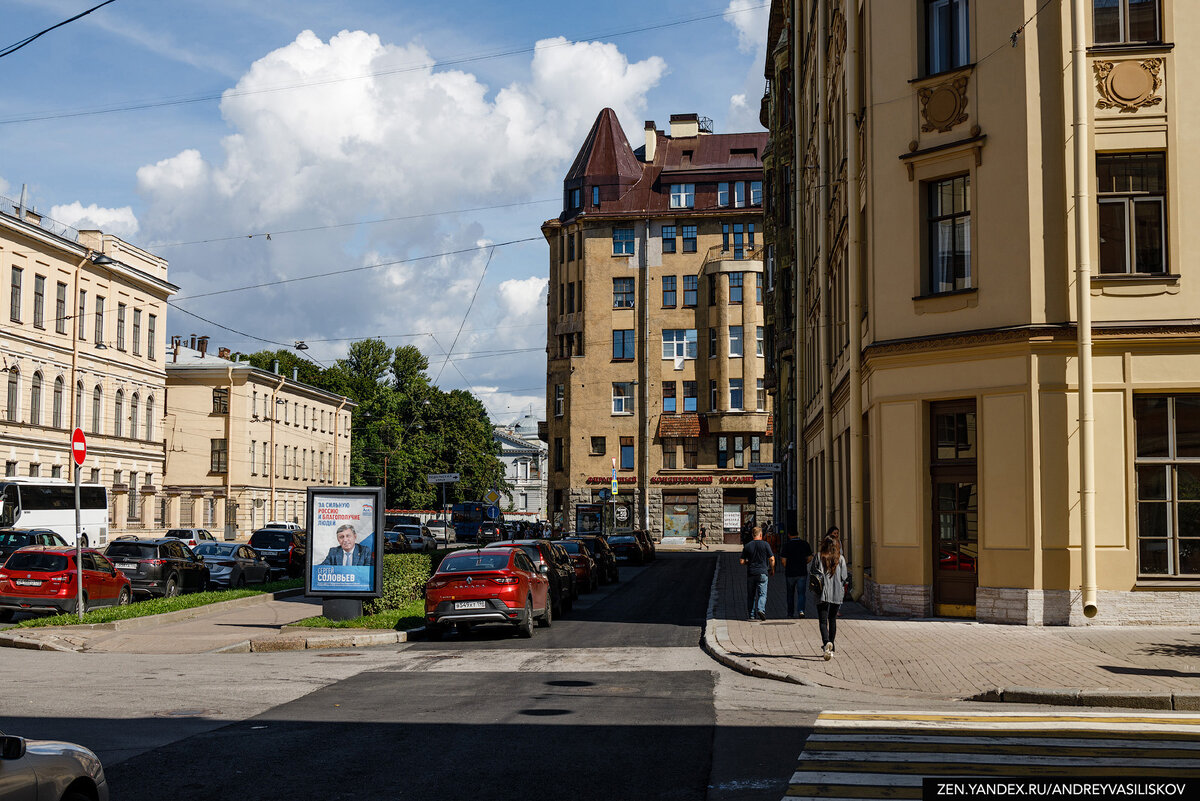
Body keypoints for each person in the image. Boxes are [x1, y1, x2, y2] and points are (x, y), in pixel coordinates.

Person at [810, 526, 848, 660]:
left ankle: (826, 643)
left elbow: (813, 573)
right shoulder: (841, 559)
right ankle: (832, 644)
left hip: (822, 593)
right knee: (832, 619)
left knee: (822, 620)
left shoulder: (819, 557)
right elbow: (844, 577)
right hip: (837, 593)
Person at [740, 526, 775, 621]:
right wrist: (772, 569)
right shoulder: (765, 544)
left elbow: (742, 561)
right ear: (761, 535)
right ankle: (761, 609)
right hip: (763, 573)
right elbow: (771, 559)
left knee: (751, 595)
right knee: (762, 594)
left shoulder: (747, 545)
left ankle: (751, 615)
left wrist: (749, 562)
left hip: (751, 573)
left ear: (752, 535)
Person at [780, 531, 814, 619]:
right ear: (798, 534)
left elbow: (783, 561)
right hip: (802, 572)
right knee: (801, 593)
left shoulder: (786, 545)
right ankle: (801, 610)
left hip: (790, 573)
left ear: (789, 534)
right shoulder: (804, 544)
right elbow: (810, 557)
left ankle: (790, 613)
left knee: (790, 594)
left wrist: (787, 567)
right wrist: (803, 563)